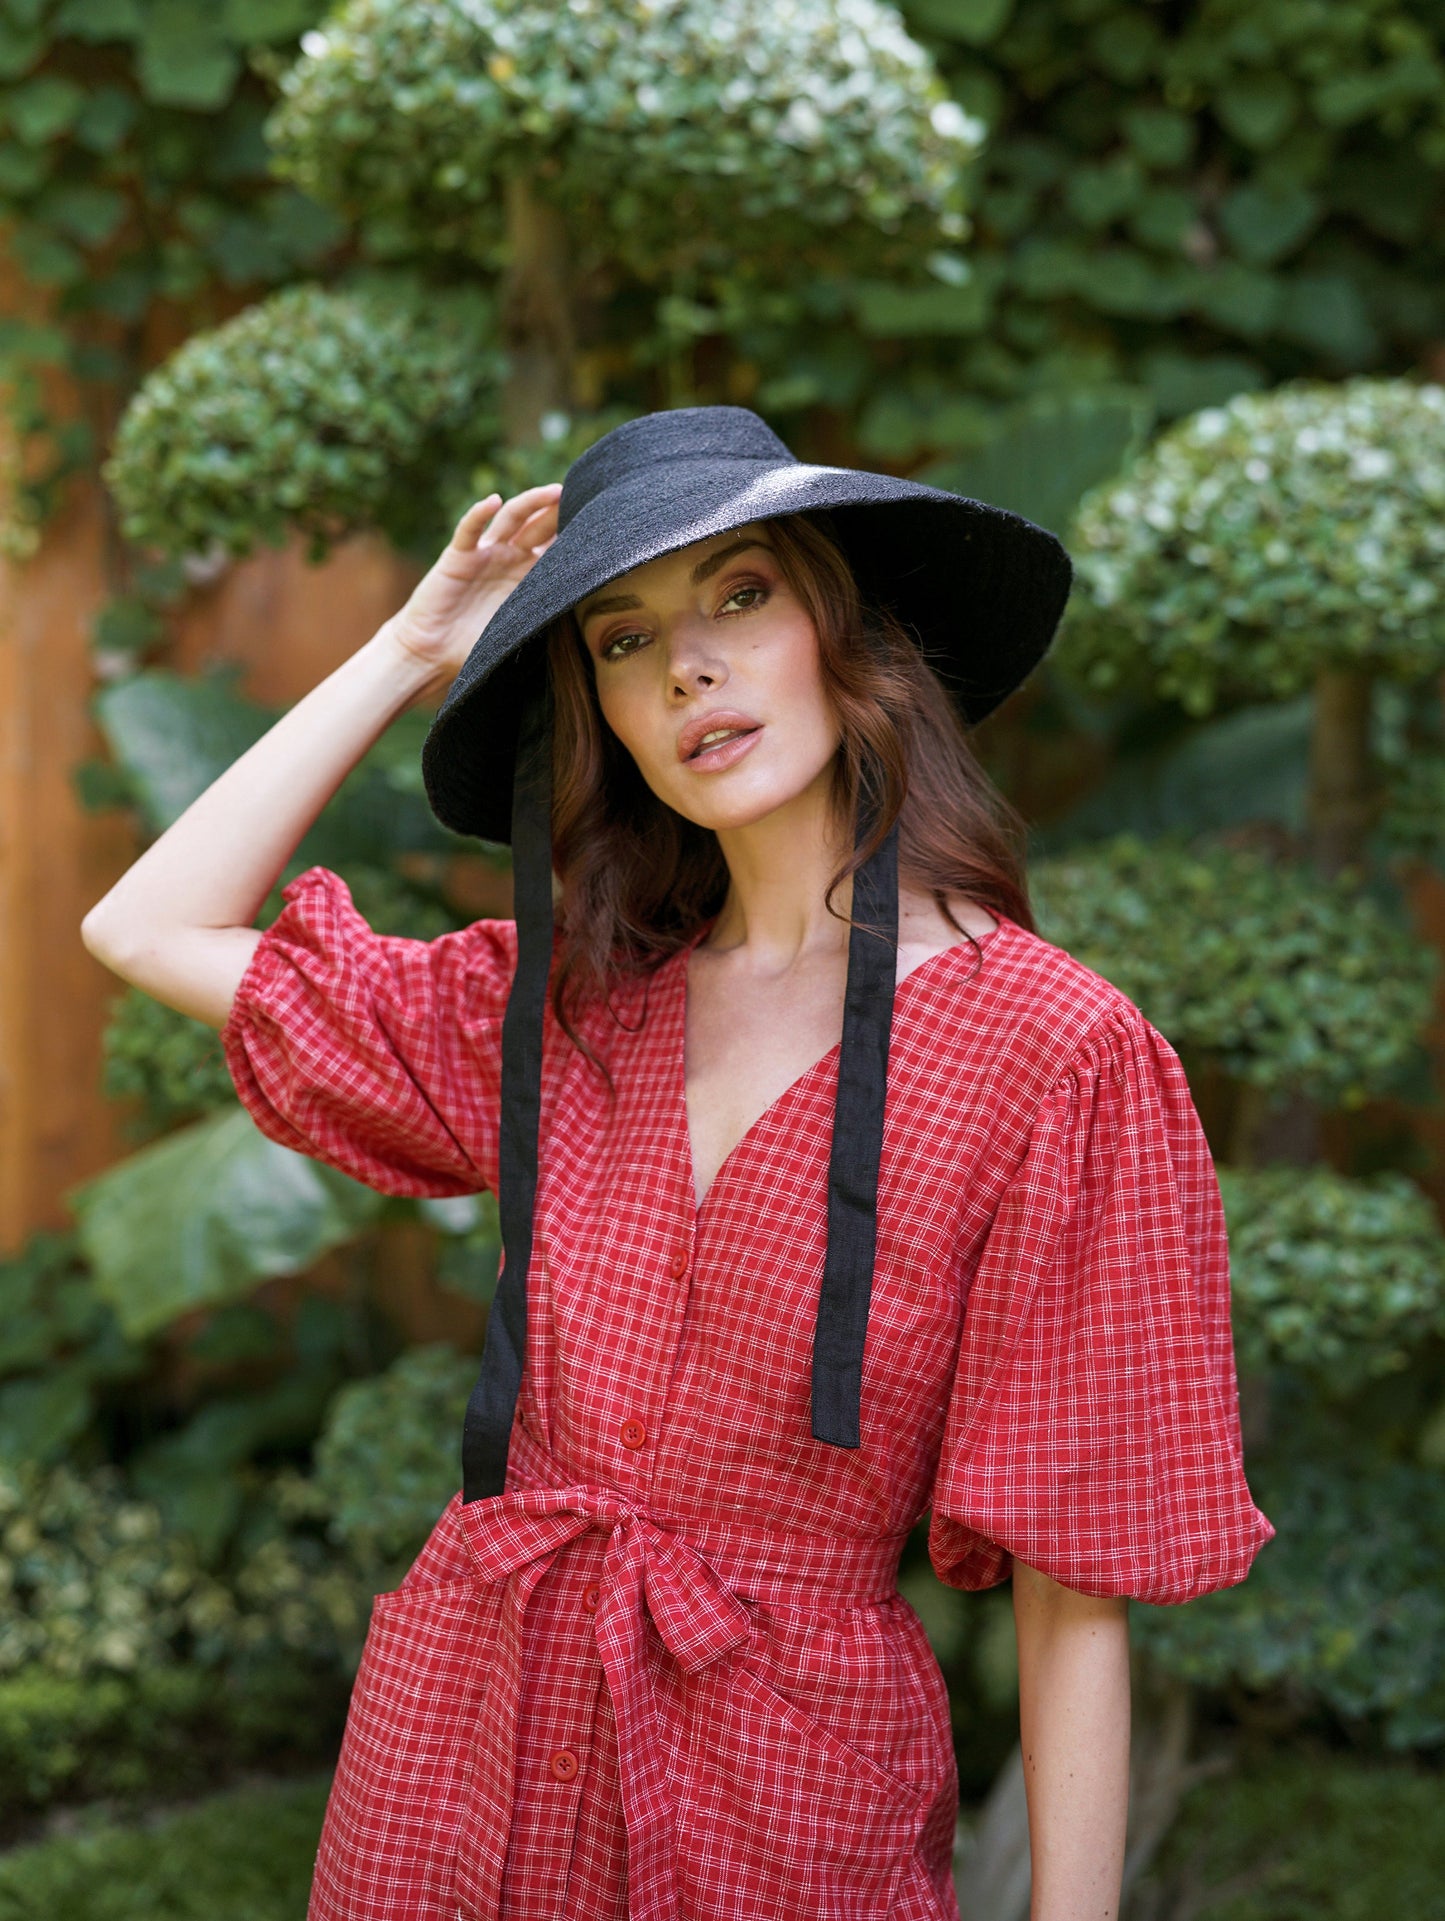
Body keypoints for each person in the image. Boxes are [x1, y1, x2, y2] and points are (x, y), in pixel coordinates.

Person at [82, 406, 1274, 1921]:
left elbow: (1070, 1578)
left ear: (848, 631)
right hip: (469, 1734)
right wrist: (408, 647)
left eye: (740, 596)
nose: (688, 669)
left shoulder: (1053, 1051)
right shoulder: (565, 1007)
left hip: (787, 1780)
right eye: (621, 640)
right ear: (602, 714)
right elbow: (145, 927)